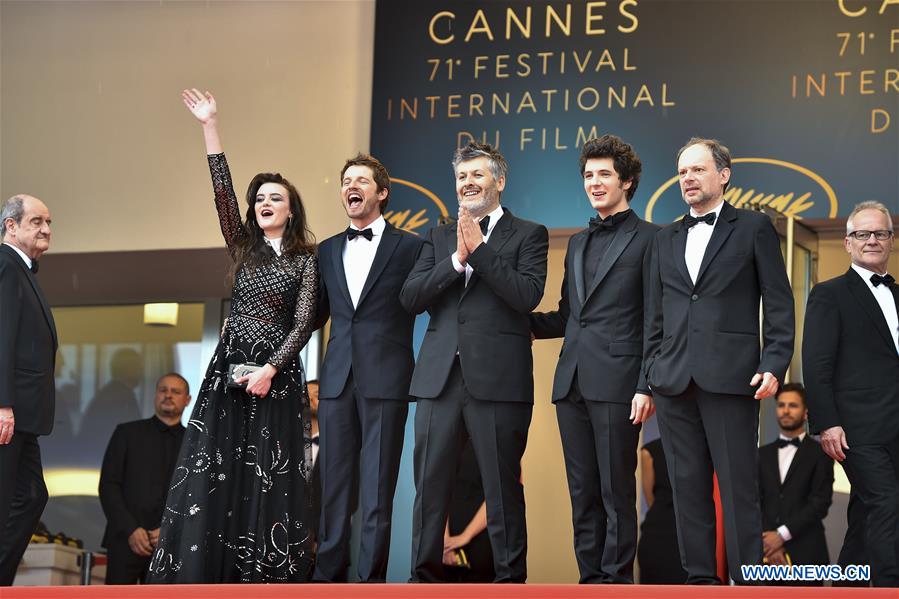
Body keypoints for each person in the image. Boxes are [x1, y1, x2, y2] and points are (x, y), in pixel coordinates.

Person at [147, 89, 319, 583]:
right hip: (229, 370)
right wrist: (210, 126)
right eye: (260, 198)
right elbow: (222, 190)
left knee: (267, 474)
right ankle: (207, 573)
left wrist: (271, 369)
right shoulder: (243, 245)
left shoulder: (307, 259)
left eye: (275, 198)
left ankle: (259, 579)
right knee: (217, 468)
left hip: (276, 374)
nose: (265, 203)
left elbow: (304, 321)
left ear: (291, 211)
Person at [643, 137, 795, 584]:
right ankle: (701, 583)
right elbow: (655, 314)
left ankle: (749, 583)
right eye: (682, 171)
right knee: (687, 490)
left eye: (697, 169)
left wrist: (775, 362)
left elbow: (780, 303)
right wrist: (650, 372)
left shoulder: (753, 227)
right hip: (673, 383)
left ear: (723, 175)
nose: (687, 178)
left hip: (733, 379)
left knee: (738, 490)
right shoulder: (664, 236)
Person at [401, 141, 549, 583]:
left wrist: (480, 252)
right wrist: (456, 259)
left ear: (499, 181)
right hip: (439, 380)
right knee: (428, 488)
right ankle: (423, 580)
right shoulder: (439, 235)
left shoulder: (529, 234)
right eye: (462, 177)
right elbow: (410, 297)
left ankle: (509, 583)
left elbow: (527, 296)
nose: (468, 183)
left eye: (477, 175)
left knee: (502, 488)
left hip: (499, 382)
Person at [530, 135, 658, 583]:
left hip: (621, 385)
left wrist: (646, 384)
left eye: (604, 174)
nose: (594, 182)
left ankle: (617, 584)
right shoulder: (580, 242)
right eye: (588, 175)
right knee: (582, 494)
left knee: (616, 493)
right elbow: (570, 316)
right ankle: (589, 583)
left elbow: (654, 321)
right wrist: (512, 325)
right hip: (572, 385)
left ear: (627, 181)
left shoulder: (653, 240)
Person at [312, 154, 422, 582]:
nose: (350, 186)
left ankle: (370, 584)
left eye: (360, 180)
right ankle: (327, 579)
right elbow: (313, 316)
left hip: (387, 379)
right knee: (333, 489)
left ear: (381, 193)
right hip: (337, 380)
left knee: (378, 490)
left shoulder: (411, 245)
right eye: (345, 181)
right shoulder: (326, 250)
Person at [803, 200, 898, 587]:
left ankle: (847, 589)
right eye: (863, 234)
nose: (872, 240)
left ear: (891, 240)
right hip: (858, 430)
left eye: (880, 233)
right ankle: (891, 586)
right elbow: (816, 363)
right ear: (847, 243)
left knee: (865, 513)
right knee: (887, 504)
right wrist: (827, 423)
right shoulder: (830, 294)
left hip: (895, 428)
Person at [0, 194, 56, 586]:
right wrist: (2, 404)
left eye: (49, 222)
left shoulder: (22, 270)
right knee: (7, 502)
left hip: (25, 417)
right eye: (37, 221)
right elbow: (1, 338)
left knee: (32, 496)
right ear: (11, 226)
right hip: (10, 413)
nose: (46, 229)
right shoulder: (5, 265)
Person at [99, 373, 191, 584]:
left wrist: (169, 530)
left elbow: (195, 496)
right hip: (125, 540)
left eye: (176, 391)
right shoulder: (127, 433)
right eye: (163, 390)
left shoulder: (194, 444)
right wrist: (131, 529)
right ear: (155, 395)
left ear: (188, 399)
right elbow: (108, 486)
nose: (168, 395)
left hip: (172, 544)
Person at [757, 383, 833, 583]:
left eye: (793, 405)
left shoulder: (821, 454)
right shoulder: (760, 455)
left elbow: (820, 503)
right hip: (764, 556)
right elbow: (754, 500)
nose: (786, 410)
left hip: (808, 554)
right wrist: (769, 542)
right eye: (781, 405)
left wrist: (780, 536)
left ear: (806, 412)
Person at [637, 437, 687, 584]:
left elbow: (650, 498)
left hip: (666, 533)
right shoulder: (696, 449)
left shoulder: (648, 452)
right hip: (673, 533)